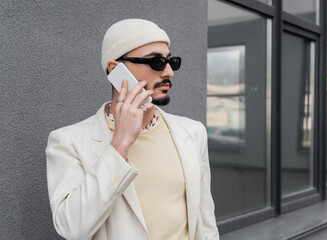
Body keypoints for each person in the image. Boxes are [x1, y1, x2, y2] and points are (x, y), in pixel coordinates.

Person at [46, 19, 219, 240]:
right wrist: (120, 143)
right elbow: (71, 228)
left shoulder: (193, 132)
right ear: (116, 70)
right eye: (156, 62)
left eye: (170, 61)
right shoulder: (68, 141)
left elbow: (205, 222)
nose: (169, 72)